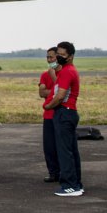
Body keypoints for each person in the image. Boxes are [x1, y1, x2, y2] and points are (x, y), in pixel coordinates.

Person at [43, 41, 84, 196]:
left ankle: (70, 185)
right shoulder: (68, 70)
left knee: (64, 151)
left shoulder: (67, 72)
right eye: (58, 54)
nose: (59, 57)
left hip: (64, 112)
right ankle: (76, 183)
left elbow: (60, 96)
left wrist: (48, 106)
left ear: (71, 56)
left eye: (62, 54)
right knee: (71, 150)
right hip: (69, 112)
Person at [39, 47, 60, 183]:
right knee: (49, 146)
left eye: (52, 57)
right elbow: (42, 93)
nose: (49, 60)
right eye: (48, 57)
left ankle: (63, 172)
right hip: (48, 115)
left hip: (60, 114)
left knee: (61, 146)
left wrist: (54, 79)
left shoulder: (64, 73)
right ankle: (53, 172)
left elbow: (61, 93)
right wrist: (55, 92)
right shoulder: (44, 75)